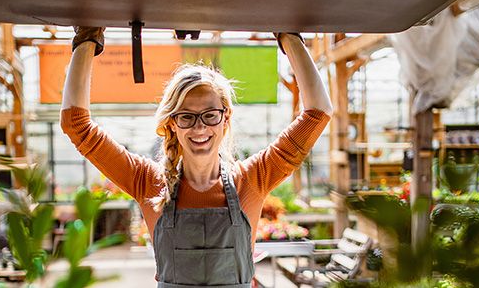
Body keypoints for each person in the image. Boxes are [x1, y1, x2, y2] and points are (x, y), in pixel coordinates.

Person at [60, 27, 332, 287]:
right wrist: (87, 37)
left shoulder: (252, 179)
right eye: (187, 117)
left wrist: (288, 36)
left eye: (210, 115)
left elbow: (319, 112)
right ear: (171, 124)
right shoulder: (147, 182)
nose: (200, 127)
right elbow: (76, 124)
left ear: (226, 119)